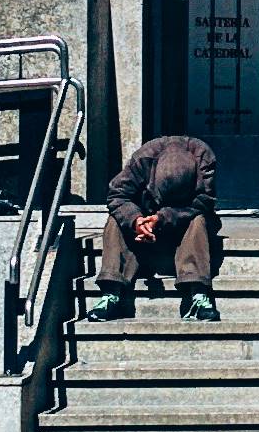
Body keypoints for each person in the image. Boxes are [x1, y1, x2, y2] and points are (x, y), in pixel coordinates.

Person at [87, 134, 221, 322]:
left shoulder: (204, 158)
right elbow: (116, 196)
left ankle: (197, 293)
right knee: (114, 221)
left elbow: (203, 202)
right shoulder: (142, 160)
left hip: (181, 221)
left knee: (198, 219)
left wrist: (162, 217)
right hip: (143, 223)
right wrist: (137, 221)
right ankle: (112, 293)